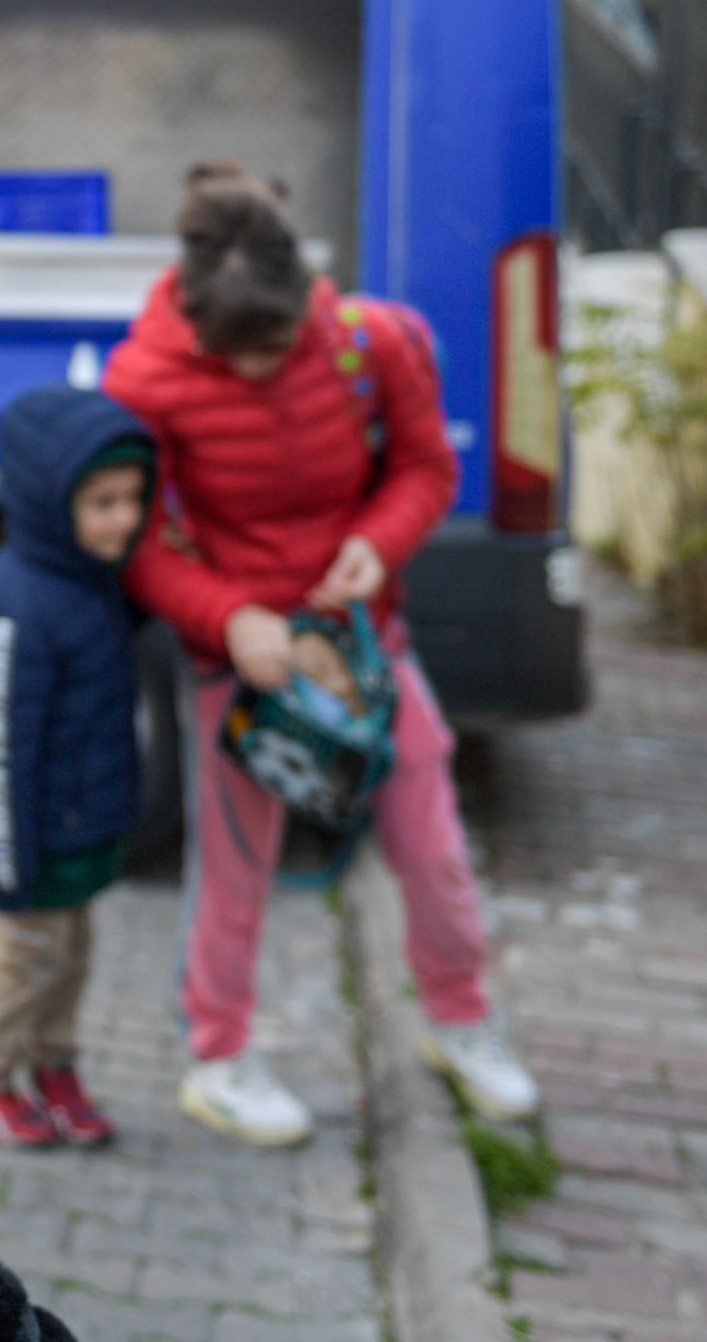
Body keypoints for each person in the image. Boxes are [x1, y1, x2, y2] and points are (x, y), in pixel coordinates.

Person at [103, 165, 538, 1144]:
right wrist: (228, 618)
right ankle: (219, 1057)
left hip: (363, 643)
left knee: (433, 843)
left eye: (276, 346)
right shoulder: (146, 379)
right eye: (240, 355)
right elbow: (139, 538)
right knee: (236, 863)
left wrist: (377, 543)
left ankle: (463, 1019)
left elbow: (428, 464)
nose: (260, 368)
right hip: (244, 659)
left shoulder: (365, 342)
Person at [0, 384, 155, 1151]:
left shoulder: (94, 584)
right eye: (103, 503)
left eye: (133, 499)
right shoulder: (14, 609)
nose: (124, 520)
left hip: (82, 838)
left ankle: (52, 1063)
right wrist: (5, 863)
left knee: (69, 960)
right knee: (25, 961)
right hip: (35, 849)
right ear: (47, 501)